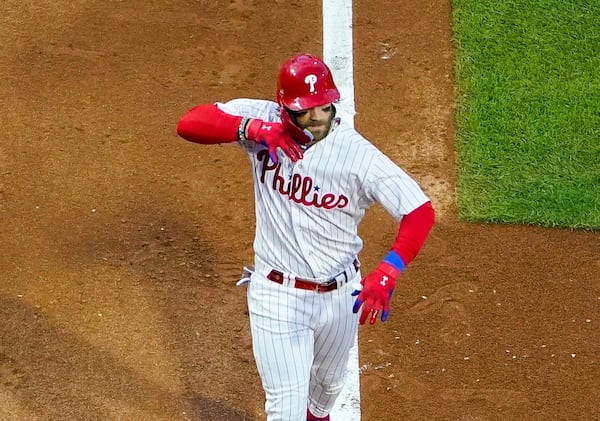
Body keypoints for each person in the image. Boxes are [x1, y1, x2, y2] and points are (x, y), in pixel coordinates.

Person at [176, 53, 435, 421]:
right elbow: (189, 123)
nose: (317, 118)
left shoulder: (357, 155)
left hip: (343, 294)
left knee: (326, 391)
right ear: (284, 109)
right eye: (305, 110)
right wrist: (252, 130)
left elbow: (419, 211)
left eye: (324, 107)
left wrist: (388, 271)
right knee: (286, 410)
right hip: (277, 295)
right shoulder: (264, 119)